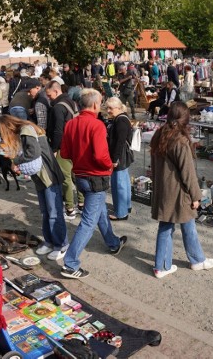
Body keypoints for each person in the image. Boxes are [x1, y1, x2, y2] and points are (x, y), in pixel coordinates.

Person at [59, 89, 127, 279]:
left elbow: (64, 153)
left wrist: (80, 158)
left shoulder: (71, 124)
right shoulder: (97, 125)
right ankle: (70, 263)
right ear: (96, 105)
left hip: (80, 175)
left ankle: (113, 242)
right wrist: (109, 165)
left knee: (100, 212)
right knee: (88, 221)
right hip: (95, 177)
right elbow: (100, 155)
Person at [149, 101, 213, 278]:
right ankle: (165, 265)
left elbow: (154, 167)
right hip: (177, 191)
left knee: (182, 224)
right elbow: (188, 172)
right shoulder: (179, 140)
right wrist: (196, 195)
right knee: (174, 225)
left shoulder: (159, 134)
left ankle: (194, 260)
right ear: (186, 120)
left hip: (164, 188)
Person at [0, 115, 69, 260]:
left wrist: (15, 161)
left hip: (48, 176)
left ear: (7, 127)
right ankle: (49, 242)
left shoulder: (26, 130)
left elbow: (32, 153)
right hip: (42, 177)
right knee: (46, 212)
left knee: (54, 212)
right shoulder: (26, 130)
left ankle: (61, 244)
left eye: (2, 132)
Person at [45, 81, 82, 218]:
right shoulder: (72, 102)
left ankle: (69, 209)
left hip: (63, 147)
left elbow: (58, 131)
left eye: (49, 95)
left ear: (55, 91)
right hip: (75, 144)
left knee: (65, 178)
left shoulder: (58, 107)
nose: (49, 98)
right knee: (75, 175)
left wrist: (54, 149)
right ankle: (81, 204)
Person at [105, 97, 133, 221]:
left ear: (118, 108)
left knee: (119, 184)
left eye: (110, 108)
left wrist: (114, 159)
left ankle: (121, 213)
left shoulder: (120, 121)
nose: (108, 110)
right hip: (122, 155)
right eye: (107, 108)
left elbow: (120, 142)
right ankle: (126, 206)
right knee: (124, 181)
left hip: (120, 155)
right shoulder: (122, 118)